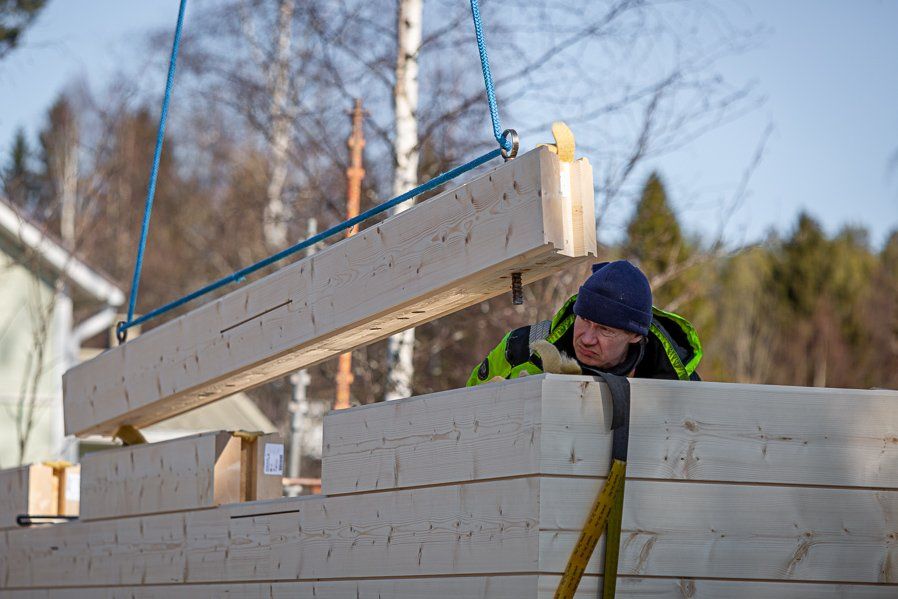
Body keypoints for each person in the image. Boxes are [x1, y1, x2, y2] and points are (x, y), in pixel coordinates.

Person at [466, 260, 702, 385]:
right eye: (584, 320)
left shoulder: (678, 380)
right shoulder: (520, 348)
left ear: (636, 335)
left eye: (605, 330)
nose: (587, 339)